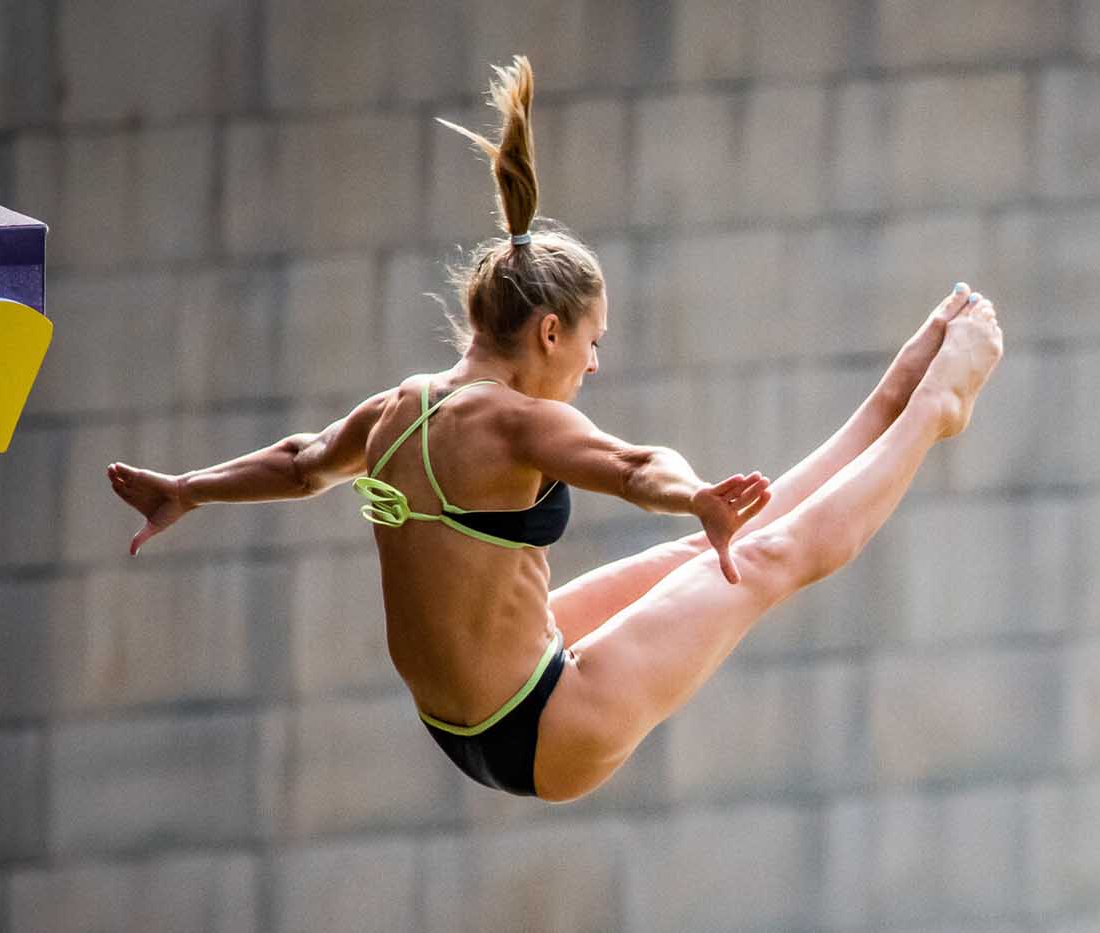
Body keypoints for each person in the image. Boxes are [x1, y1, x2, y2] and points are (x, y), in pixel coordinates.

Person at [107, 56, 1003, 802]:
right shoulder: (519, 424)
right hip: (542, 727)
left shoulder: (398, 408)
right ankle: (933, 411)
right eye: (593, 341)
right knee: (762, 561)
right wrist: (692, 492)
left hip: (472, 708)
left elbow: (301, 463)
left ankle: (892, 395)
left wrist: (190, 488)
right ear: (547, 332)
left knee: (703, 558)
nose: (594, 364)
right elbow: (634, 464)